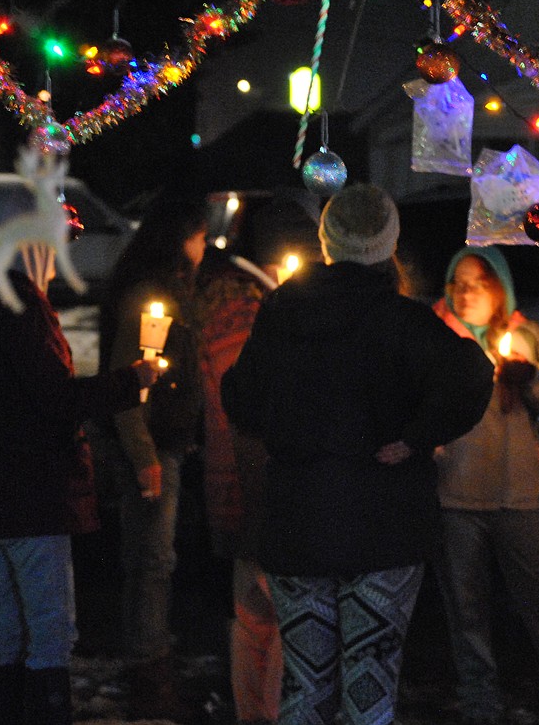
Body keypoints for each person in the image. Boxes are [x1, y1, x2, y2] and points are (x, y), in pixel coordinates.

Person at [220, 183, 494, 725]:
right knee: (369, 684)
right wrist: (418, 434)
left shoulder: (281, 315)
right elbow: (472, 373)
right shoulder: (403, 321)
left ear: (326, 242)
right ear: (388, 245)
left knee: (304, 684)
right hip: (383, 525)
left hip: (300, 520)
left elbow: (241, 399)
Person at [0, 235, 161, 725]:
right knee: (49, 631)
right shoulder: (24, 305)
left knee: (10, 628)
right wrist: (133, 381)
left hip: (1, 493)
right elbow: (56, 398)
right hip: (35, 493)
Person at [431, 246, 539, 724]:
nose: (467, 292)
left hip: (519, 495)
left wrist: (531, 381)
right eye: (458, 282)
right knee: (466, 607)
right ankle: (481, 700)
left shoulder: (529, 338)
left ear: (500, 287)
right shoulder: (436, 342)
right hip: (455, 493)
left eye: (478, 282)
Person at [197, 187, 321, 725]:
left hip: (253, 488)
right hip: (256, 489)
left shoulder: (246, 302)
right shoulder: (245, 308)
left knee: (263, 620)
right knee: (268, 623)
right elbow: (249, 407)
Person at [99, 195, 208, 722]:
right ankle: (148, 663)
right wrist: (144, 455)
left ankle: (151, 652)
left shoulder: (174, 292)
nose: (206, 246)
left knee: (152, 558)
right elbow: (131, 385)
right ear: (180, 240)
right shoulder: (153, 297)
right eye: (201, 236)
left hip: (167, 442)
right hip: (151, 445)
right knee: (151, 560)